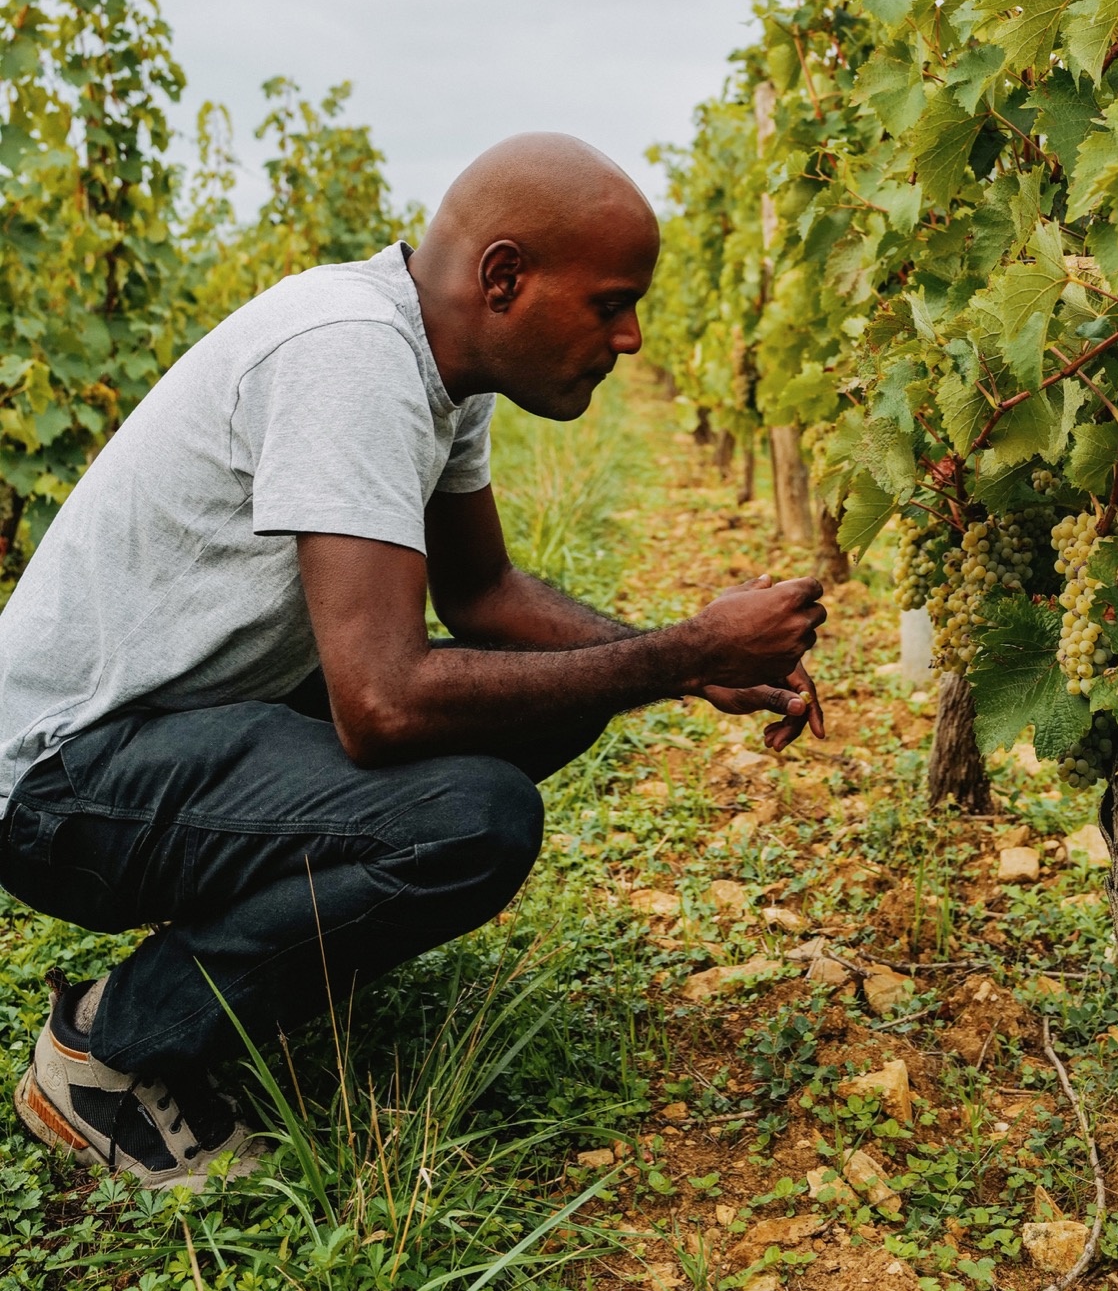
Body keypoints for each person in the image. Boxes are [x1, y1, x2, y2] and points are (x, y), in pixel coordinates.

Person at [0, 132, 825, 1188]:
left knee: (543, 706)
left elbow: (484, 595)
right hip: (64, 782)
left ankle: (249, 951)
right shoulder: (352, 354)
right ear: (504, 277)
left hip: (170, 728)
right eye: (612, 301)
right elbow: (382, 703)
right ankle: (111, 1052)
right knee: (471, 817)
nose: (629, 336)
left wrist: (679, 662)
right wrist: (680, 650)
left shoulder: (440, 361)